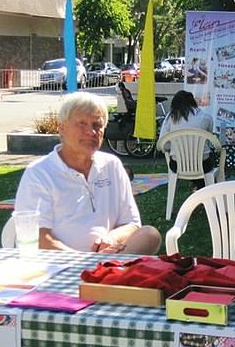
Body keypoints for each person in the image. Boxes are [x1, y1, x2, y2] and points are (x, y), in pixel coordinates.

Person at [14, 92, 161, 254]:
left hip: (110, 256)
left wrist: (112, 238)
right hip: (62, 262)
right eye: (82, 124)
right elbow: (39, 237)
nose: (91, 132)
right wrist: (82, 260)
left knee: (150, 235)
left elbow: (131, 223)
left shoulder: (112, 166)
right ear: (61, 128)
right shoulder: (39, 173)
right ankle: (102, 275)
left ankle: (105, 274)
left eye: (97, 125)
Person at [159, 90, 214, 189]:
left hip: (178, 165)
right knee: (204, 160)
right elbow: (209, 140)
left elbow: (163, 144)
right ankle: (203, 189)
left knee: (189, 162)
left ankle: (199, 188)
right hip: (203, 165)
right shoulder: (206, 117)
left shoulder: (170, 119)